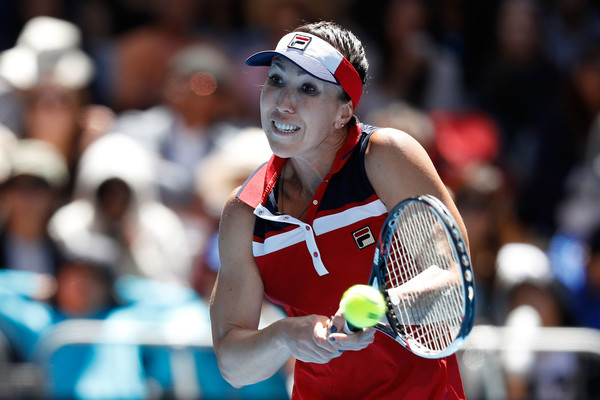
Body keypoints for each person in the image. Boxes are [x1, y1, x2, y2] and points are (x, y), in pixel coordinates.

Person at [209, 21, 468, 399]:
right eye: (277, 80)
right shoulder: (244, 213)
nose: (283, 102)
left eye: (308, 88)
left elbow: (456, 285)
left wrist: (380, 307)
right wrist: (286, 337)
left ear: (343, 112)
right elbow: (233, 366)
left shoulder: (386, 157)